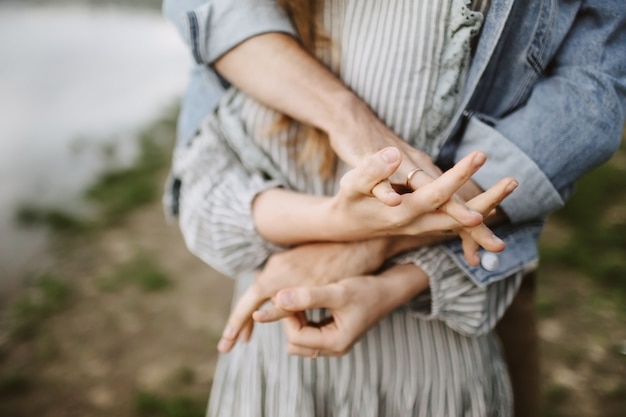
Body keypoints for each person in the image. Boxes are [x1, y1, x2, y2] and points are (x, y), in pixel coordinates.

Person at [162, 1, 626, 416]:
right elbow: (203, 194)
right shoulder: (244, 43)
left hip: (439, 360)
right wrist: (340, 216)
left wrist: (373, 245)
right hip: (278, 363)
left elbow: (589, 102)